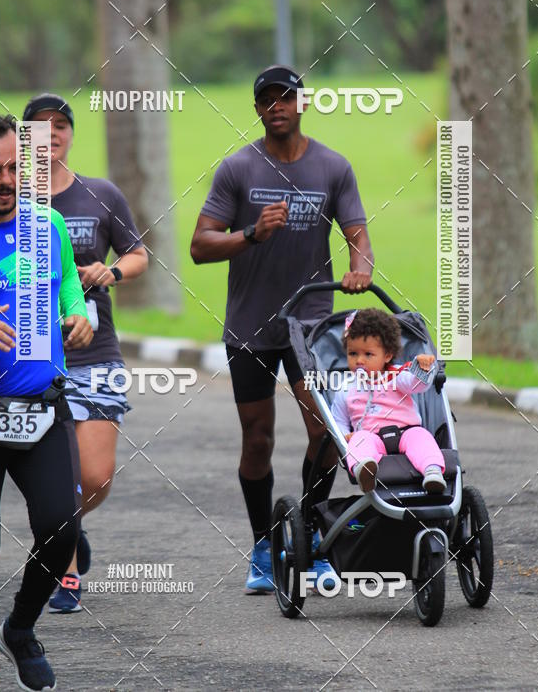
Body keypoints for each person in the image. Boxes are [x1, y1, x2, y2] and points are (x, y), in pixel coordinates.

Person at [190, 64, 374, 593]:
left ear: (301, 102)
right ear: (257, 110)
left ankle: (310, 538)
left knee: (324, 432)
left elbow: (358, 232)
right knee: (258, 439)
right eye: (266, 99)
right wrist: (251, 232)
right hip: (250, 326)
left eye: (285, 96)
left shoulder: (332, 168)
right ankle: (264, 547)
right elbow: (201, 246)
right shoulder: (237, 170)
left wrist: (360, 268)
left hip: (310, 326)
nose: (277, 105)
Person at [0, 114, 93, 691]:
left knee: (60, 530)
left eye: (15, 166)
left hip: (42, 406)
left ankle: (21, 629)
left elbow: (67, 288)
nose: (7, 180)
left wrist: (78, 316)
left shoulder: (46, 224)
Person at [22, 94, 148, 614]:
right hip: (29, 354)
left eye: (60, 126)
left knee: (94, 478)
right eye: (38, 128)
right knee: (57, 472)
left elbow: (138, 254)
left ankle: (67, 529)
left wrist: (111, 272)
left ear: (71, 135)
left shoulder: (101, 195)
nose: (50, 135)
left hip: (96, 352)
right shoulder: (11, 199)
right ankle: (64, 568)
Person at [331, 307, 446, 494]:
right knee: (359, 441)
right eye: (353, 354)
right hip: (371, 436)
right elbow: (338, 420)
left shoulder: (398, 376)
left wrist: (422, 369)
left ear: (387, 355)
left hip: (406, 432)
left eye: (368, 355)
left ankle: (432, 471)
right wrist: (345, 435)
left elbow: (418, 384)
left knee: (422, 437)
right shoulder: (346, 388)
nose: (359, 360)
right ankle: (364, 469)